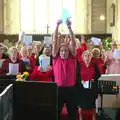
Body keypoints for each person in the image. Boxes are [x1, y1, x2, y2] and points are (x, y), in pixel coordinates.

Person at [52, 19, 77, 120]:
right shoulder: (56, 57)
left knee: (72, 112)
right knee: (57, 111)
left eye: (65, 50)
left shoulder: (72, 57)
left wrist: (69, 28)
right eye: (61, 51)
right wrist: (57, 25)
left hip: (71, 89)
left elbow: (73, 42)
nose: (63, 52)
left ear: (69, 51)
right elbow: (54, 41)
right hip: (59, 89)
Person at [76, 50, 101, 120]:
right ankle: (80, 117)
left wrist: (93, 79)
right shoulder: (80, 65)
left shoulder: (94, 65)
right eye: (86, 55)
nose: (87, 57)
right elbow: (77, 75)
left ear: (91, 57)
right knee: (81, 104)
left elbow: (98, 74)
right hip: (82, 87)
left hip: (92, 86)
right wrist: (81, 81)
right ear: (83, 57)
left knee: (92, 104)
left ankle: (93, 117)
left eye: (89, 55)